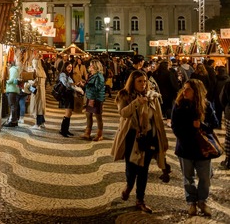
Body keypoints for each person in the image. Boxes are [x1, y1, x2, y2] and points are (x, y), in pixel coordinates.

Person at [111, 70, 169, 214]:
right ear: (133, 82)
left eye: (145, 81)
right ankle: (129, 184)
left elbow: (158, 117)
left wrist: (161, 137)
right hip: (131, 135)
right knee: (131, 167)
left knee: (144, 169)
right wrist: (137, 102)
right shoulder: (124, 95)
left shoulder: (152, 97)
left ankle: (140, 200)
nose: (143, 84)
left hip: (148, 135)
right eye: (140, 81)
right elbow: (123, 113)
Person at [171, 79, 220, 216]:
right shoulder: (179, 105)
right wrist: (185, 136)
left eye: (188, 89)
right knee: (188, 177)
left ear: (196, 92)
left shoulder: (206, 105)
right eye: (184, 88)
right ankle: (191, 202)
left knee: (205, 178)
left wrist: (202, 125)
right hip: (185, 147)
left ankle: (202, 201)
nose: (184, 91)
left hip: (202, 149)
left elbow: (214, 124)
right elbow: (174, 126)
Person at [82, 59, 106, 141]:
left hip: (96, 98)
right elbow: (90, 85)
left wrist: (93, 99)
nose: (90, 66)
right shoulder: (92, 75)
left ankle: (99, 134)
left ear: (95, 66)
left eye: (91, 65)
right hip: (90, 97)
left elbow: (97, 88)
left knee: (98, 116)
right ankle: (87, 132)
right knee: (88, 115)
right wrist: (85, 84)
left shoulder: (99, 76)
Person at [58, 62, 77, 137]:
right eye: (68, 67)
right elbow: (66, 84)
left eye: (71, 67)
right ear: (65, 67)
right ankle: (63, 131)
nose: (70, 68)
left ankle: (66, 130)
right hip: (66, 95)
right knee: (68, 113)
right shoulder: (63, 74)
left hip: (69, 95)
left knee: (69, 113)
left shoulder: (68, 75)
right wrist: (74, 85)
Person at [217, 66, 230, 169]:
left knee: (229, 138)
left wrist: (226, 108)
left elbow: (222, 99)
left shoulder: (228, 84)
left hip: (229, 114)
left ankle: (228, 160)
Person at [30, 54, 47, 129]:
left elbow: (34, 82)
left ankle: (38, 124)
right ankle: (42, 122)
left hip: (37, 91)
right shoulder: (42, 70)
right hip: (42, 90)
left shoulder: (36, 71)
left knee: (37, 106)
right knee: (41, 106)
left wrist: (29, 84)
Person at [3, 61, 21, 127]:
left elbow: (12, 79)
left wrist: (7, 81)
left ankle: (13, 121)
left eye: (8, 64)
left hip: (12, 89)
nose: (7, 65)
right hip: (15, 89)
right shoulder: (16, 69)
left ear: (10, 64)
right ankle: (15, 121)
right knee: (14, 105)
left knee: (12, 105)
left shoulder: (12, 69)